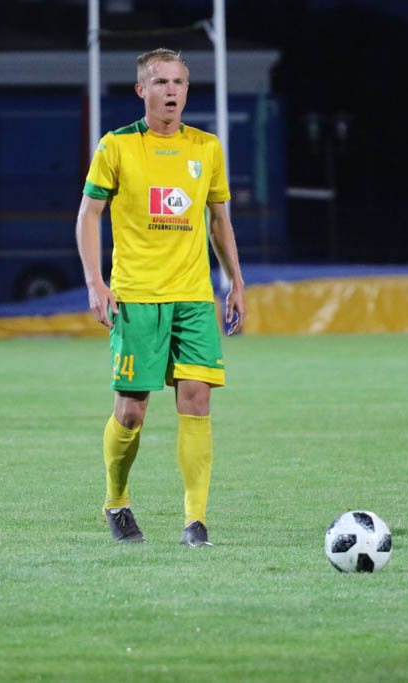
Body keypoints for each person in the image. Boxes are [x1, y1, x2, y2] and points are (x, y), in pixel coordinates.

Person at [75, 48, 247, 547]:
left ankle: (196, 521)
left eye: (179, 82)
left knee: (197, 400)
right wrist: (95, 282)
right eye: (161, 82)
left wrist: (235, 281)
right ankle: (116, 501)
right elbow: (88, 215)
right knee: (132, 411)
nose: (171, 91)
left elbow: (219, 220)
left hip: (193, 298)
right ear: (141, 90)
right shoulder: (117, 146)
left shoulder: (206, 148)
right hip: (137, 297)